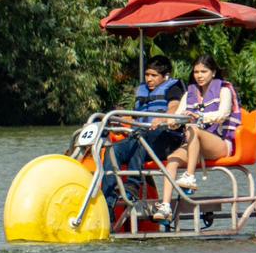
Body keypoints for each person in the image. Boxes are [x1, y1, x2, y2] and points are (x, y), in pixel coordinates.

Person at [153, 55, 242, 222]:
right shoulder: (189, 94)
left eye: (204, 71)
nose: (199, 75)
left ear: (213, 72)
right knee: (172, 159)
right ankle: (166, 207)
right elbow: (177, 117)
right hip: (194, 141)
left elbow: (222, 114)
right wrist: (169, 121)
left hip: (220, 144)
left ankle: (190, 176)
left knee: (193, 129)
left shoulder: (224, 90)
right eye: (196, 72)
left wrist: (198, 116)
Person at [102, 56, 185, 212]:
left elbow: (175, 107)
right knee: (113, 150)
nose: (149, 79)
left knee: (141, 138)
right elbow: (137, 115)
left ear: (165, 76)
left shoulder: (173, 88)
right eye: (147, 75)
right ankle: (107, 203)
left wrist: (163, 118)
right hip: (142, 137)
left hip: (166, 140)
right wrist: (122, 119)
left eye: (153, 75)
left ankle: (133, 185)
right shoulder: (143, 90)